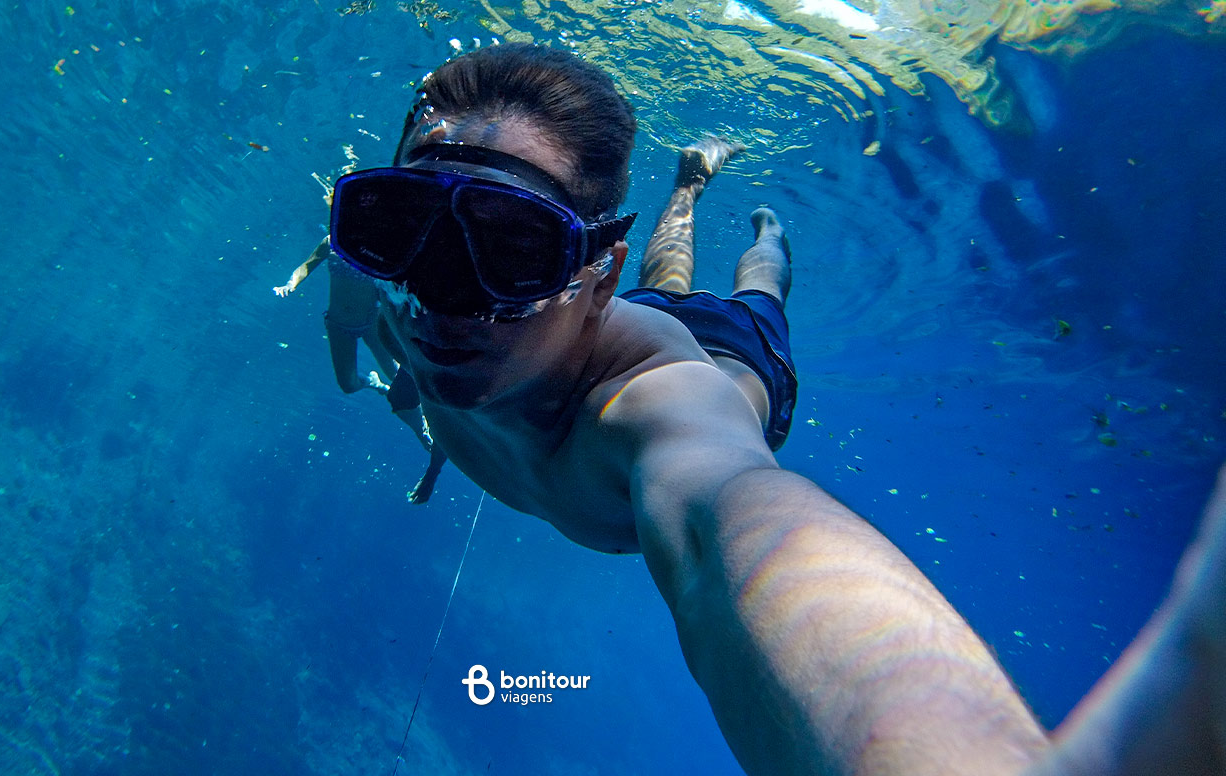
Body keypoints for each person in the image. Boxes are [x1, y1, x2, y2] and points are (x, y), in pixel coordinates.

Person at [326, 42, 1226, 776]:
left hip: (722, 353)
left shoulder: (657, 412)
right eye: (399, 224)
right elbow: (374, 271)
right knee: (662, 278)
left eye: (512, 248)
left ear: (586, 280)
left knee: (751, 295)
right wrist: (359, 312)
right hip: (603, 318)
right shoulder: (401, 290)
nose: (441, 290)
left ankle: (765, 240)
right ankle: (686, 188)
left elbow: (737, 529)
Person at [275, 236, 447, 503]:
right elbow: (306, 266)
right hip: (338, 326)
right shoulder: (332, 241)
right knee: (349, 385)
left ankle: (423, 430)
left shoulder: (386, 248)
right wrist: (291, 284)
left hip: (371, 323)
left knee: (402, 383)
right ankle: (374, 384)